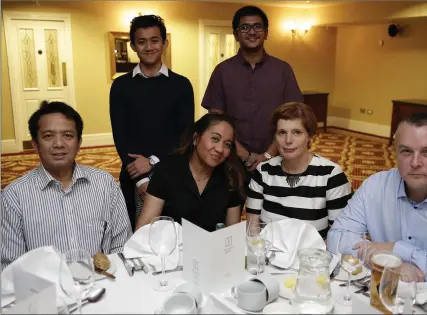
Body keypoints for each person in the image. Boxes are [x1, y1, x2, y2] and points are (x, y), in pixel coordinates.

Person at [327, 112, 427, 300]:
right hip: (377, 297)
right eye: (406, 151)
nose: (415, 163)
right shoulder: (376, 185)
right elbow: (336, 238)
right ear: (395, 152)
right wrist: (392, 265)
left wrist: (398, 250)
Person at [1, 101, 132, 268]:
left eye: (68, 135)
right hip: (46, 290)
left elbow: (122, 246)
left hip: (102, 284)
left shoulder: (105, 184)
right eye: (48, 136)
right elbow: (11, 267)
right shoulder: (14, 196)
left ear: (79, 143)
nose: (59, 144)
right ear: (35, 144)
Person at [110, 14, 194, 230]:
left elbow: (184, 134)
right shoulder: (120, 86)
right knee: (136, 235)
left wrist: (153, 161)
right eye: (142, 41)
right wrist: (141, 179)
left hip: (174, 171)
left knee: (175, 232)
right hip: (133, 174)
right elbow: (121, 135)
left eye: (155, 40)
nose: (149, 47)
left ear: (165, 43)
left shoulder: (182, 85)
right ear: (133, 46)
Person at [202, 5, 303, 174]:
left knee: (274, 201)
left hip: (279, 158)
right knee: (232, 200)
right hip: (230, 160)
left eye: (257, 26)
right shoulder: (222, 71)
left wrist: (268, 154)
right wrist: (245, 155)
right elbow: (216, 121)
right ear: (235, 34)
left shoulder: (283, 70)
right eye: (244, 27)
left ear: (266, 32)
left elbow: (294, 117)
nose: (252, 32)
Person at [246, 102, 352, 238]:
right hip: (269, 254)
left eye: (297, 132)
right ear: (274, 138)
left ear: (309, 136)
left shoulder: (331, 175)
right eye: (282, 133)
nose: (288, 140)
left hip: (312, 257)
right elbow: (252, 228)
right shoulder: (263, 171)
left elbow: (338, 236)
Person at [136, 113, 245, 232]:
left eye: (227, 144)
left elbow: (232, 235)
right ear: (196, 138)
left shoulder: (230, 178)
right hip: (171, 248)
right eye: (215, 139)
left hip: (212, 249)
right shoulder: (167, 170)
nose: (220, 149)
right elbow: (144, 227)